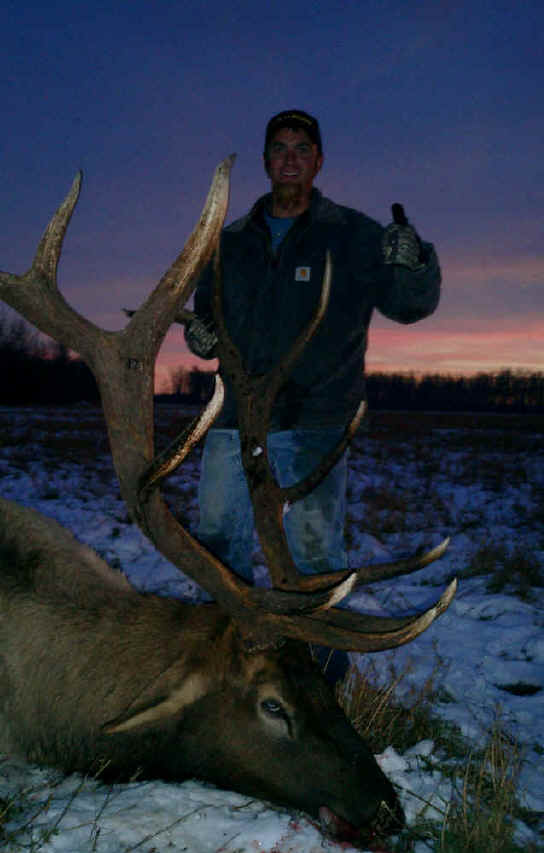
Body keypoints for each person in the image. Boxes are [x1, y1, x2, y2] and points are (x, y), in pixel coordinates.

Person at [184, 110, 441, 677]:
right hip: (234, 419)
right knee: (217, 547)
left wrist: (416, 261)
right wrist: (199, 335)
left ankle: (322, 680)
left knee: (315, 557)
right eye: (280, 148)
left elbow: (410, 305)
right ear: (266, 161)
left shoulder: (354, 235)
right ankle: (220, 675)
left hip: (315, 422)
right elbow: (207, 318)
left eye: (302, 148)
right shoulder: (230, 241)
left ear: (319, 161)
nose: (291, 158)